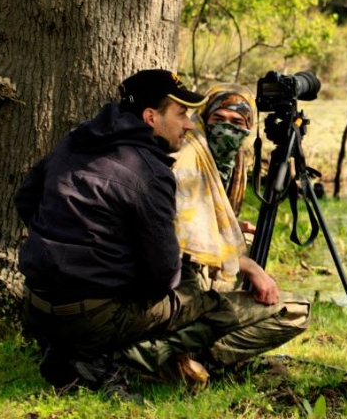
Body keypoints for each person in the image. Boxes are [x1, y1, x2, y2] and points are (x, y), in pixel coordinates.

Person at [15, 69, 209, 397]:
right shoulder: (150, 171)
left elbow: (25, 200)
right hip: (92, 316)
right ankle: (107, 358)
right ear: (151, 117)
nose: (188, 124)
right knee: (202, 298)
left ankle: (65, 350)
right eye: (181, 114)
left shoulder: (75, 140)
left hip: (35, 306)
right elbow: (163, 276)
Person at [123, 84, 310, 382]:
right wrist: (250, 267)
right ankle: (167, 354)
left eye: (237, 123)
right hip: (174, 273)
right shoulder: (188, 156)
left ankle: (194, 357)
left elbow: (208, 211)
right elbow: (181, 230)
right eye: (218, 119)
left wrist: (231, 226)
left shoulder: (232, 160)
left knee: (245, 243)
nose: (226, 128)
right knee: (296, 311)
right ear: (204, 118)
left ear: (249, 127)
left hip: (187, 271)